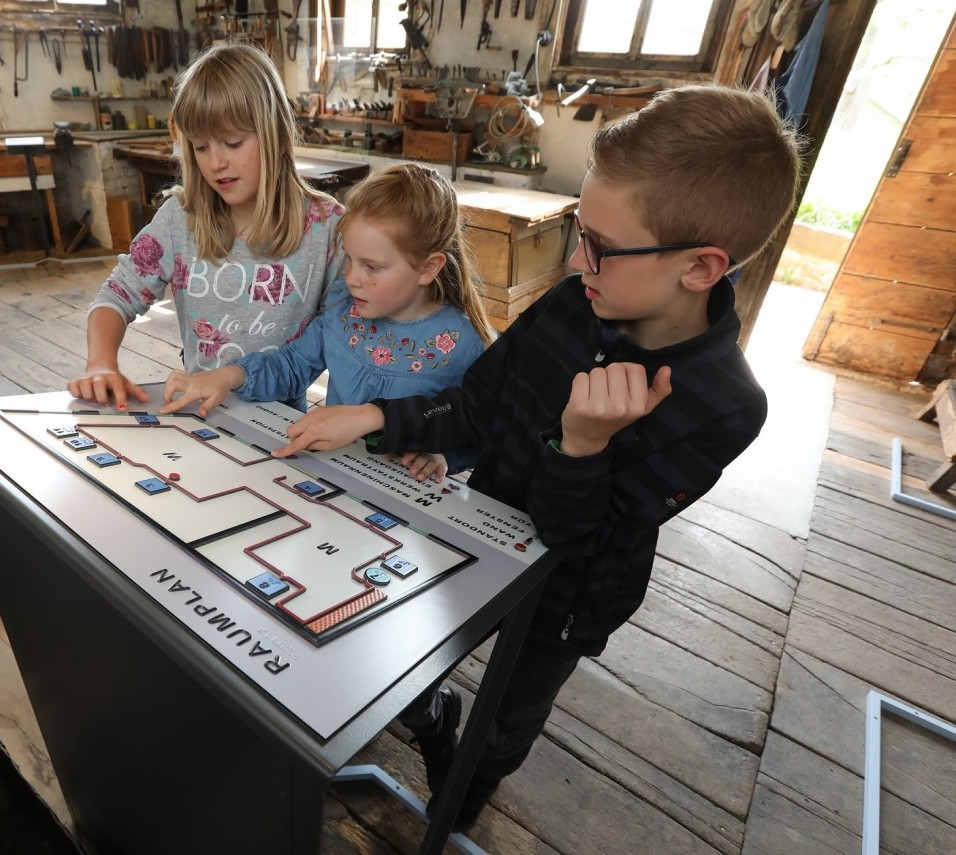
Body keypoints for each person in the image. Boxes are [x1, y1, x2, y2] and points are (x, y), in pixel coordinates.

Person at [270, 84, 803, 828]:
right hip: (476, 534)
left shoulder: (727, 406)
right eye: (580, 230)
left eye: (603, 247)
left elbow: (579, 538)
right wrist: (372, 415)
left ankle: (457, 806)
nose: (579, 258)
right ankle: (430, 724)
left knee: (505, 720)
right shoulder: (570, 301)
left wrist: (582, 445)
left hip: (565, 601)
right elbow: (478, 406)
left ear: (700, 267)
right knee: (405, 650)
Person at [159, 162, 495, 482]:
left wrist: (444, 457)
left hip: (403, 511)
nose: (352, 278)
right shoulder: (344, 312)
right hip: (333, 481)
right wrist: (227, 376)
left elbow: (482, 428)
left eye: (372, 267)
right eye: (349, 258)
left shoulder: (465, 344)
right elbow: (291, 364)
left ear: (428, 268)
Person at [67, 41, 344, 412]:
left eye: (232, 143)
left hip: (284, 423)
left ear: (276, 134)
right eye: (199, 147)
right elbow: (116, 296)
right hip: (198, 415)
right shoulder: (180, 217)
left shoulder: (328, 227)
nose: (214, 163)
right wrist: (101, 363)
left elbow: (345, 336)